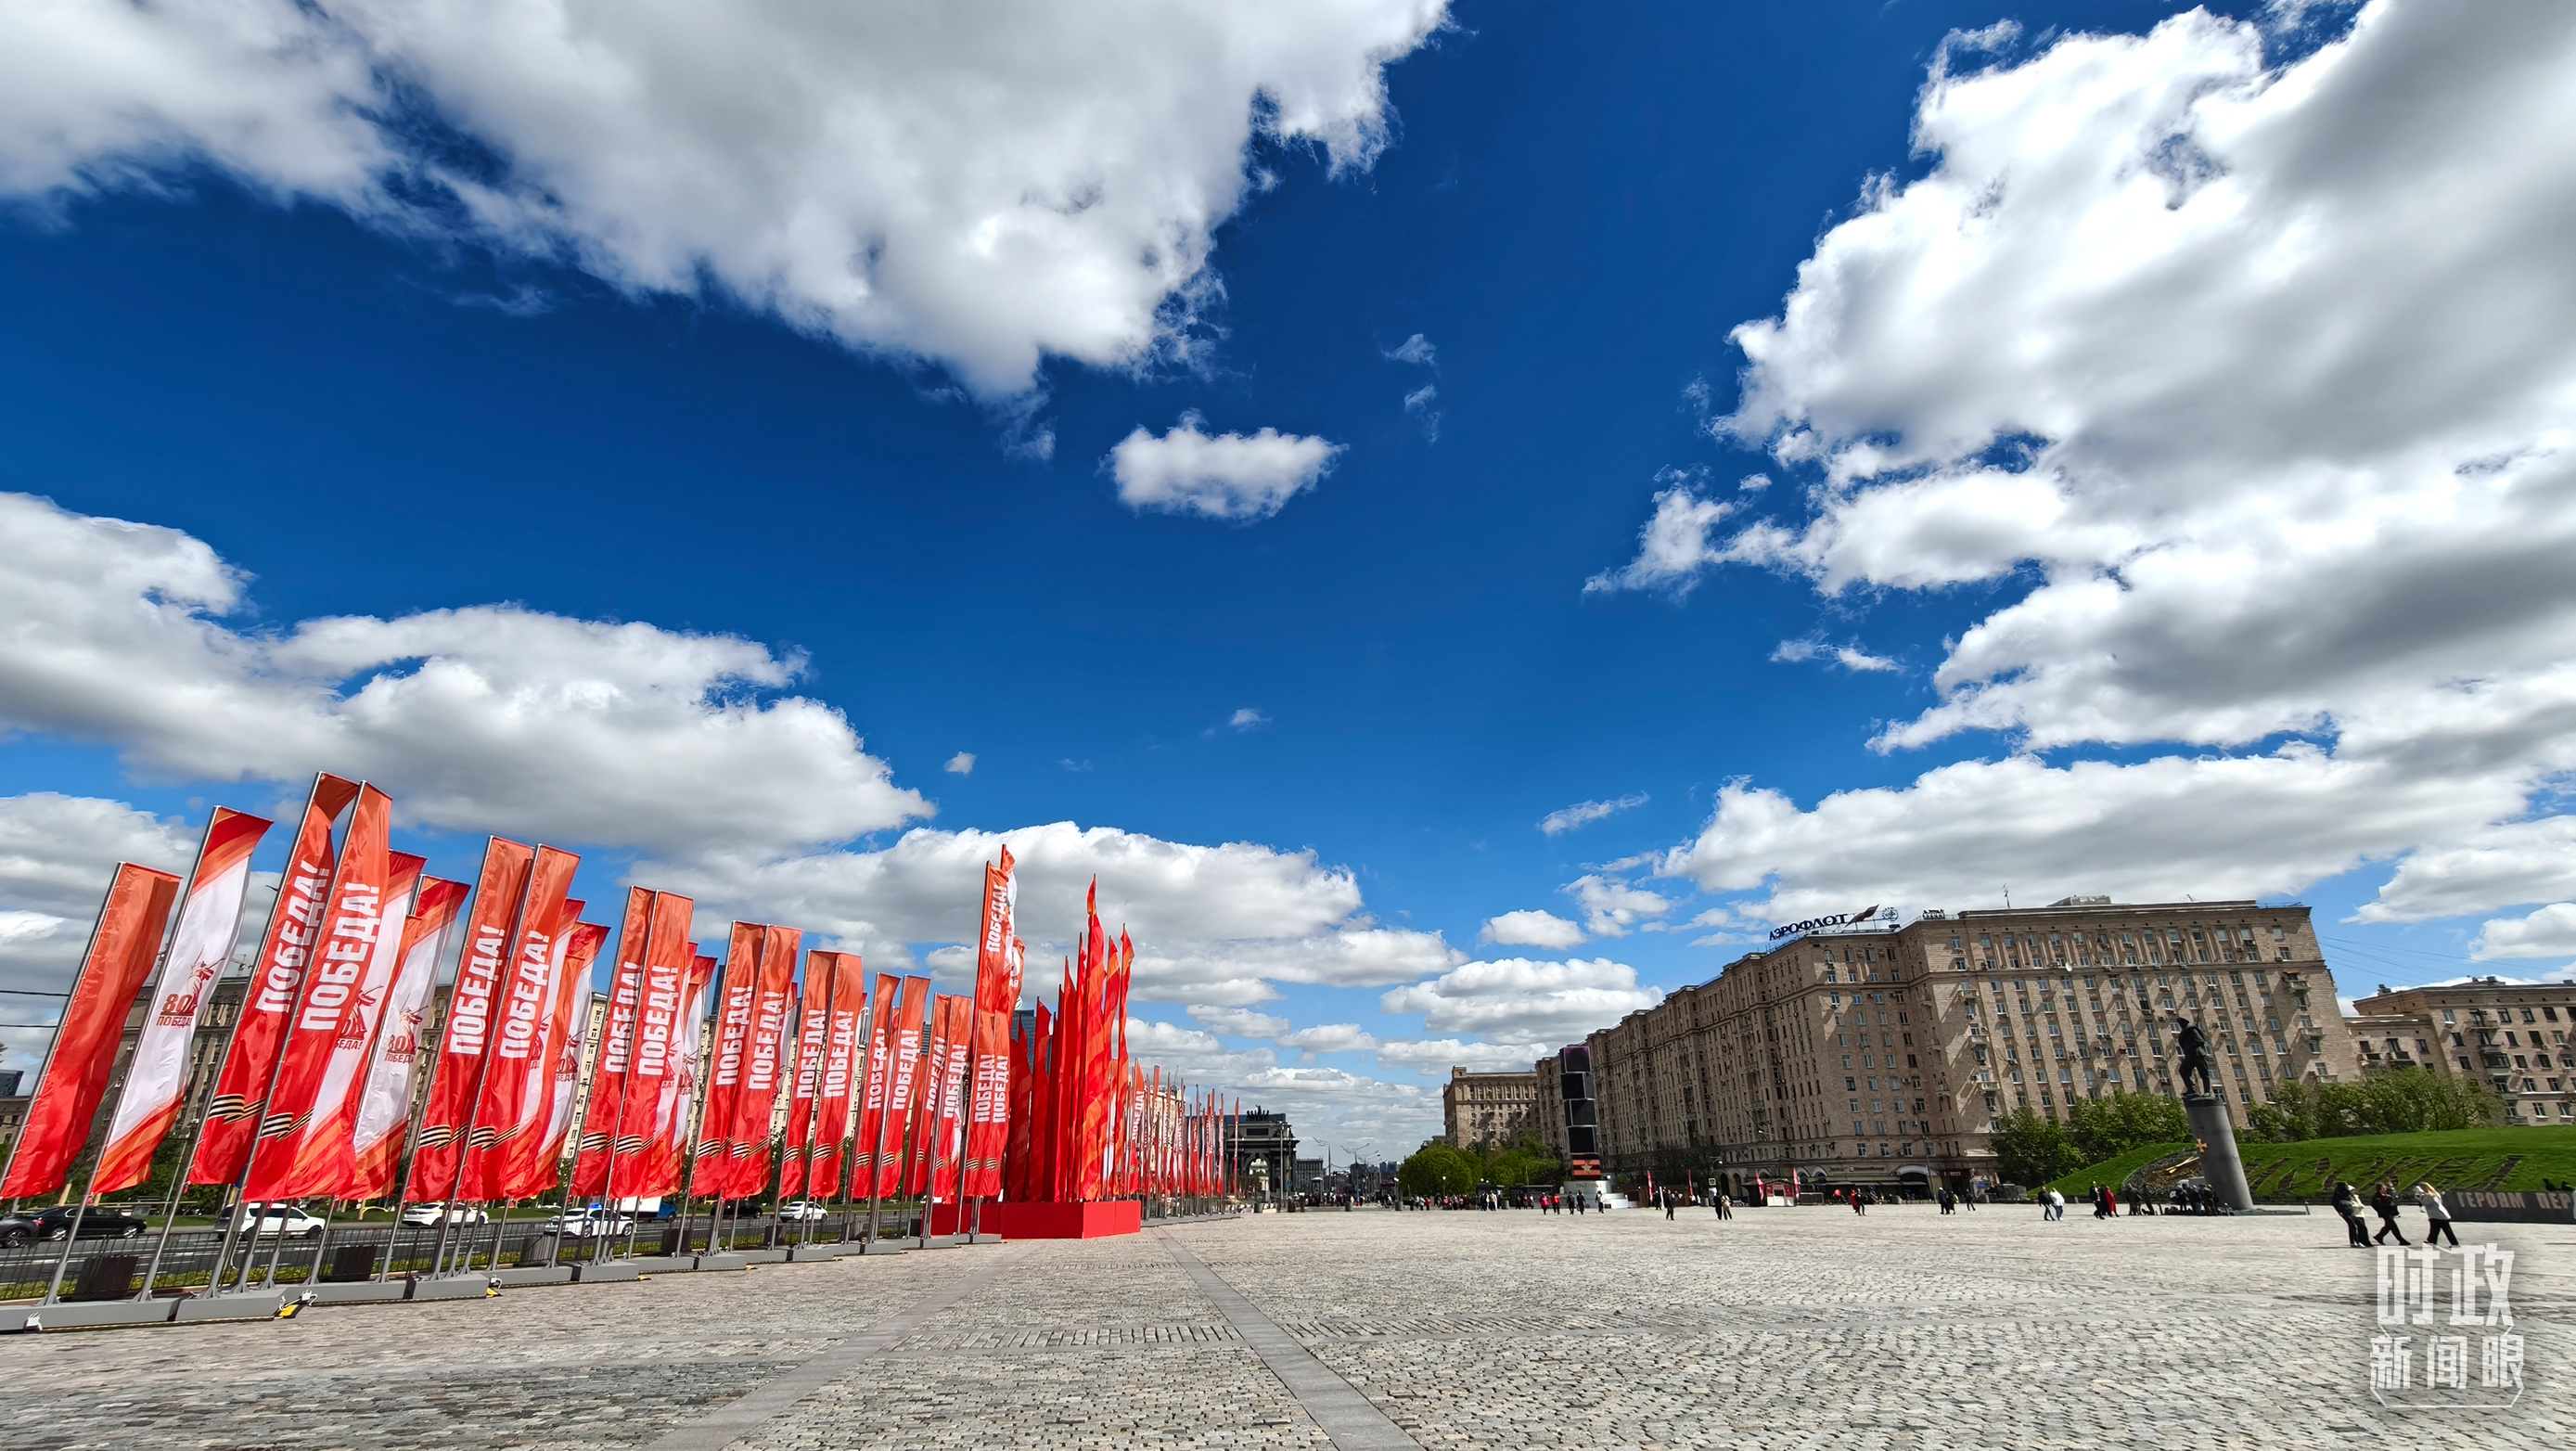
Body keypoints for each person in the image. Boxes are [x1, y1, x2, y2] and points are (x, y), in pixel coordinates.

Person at [2416, 1182, 2459, 1248]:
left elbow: (2425, 1202)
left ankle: (2433, 1242)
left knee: (2436, 1230)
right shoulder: (2435, 1194)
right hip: (2441, 1214)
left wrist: (2419, 1197)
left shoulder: (2430, 1196)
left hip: (2436, 1215)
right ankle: (2433, 1242)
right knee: (2438, 1230)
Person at [2369, 1180, 2410, 1246]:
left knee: (2388, 1226)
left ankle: (2379, 1236)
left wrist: (2399, 1200)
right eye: (2383, 1188)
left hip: (2390, 1213)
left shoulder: (2387, 1195)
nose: (2385, 1188)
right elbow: (2378, 1205)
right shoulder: (2377, 1197)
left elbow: (2393, 1202)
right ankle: (2401, 1240)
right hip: (2385, 1214)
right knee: (2394, 1226)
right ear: (2380, 1189)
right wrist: (2388, 1205)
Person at [2330, 1182, 2370, 1248]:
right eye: (2345, 1186)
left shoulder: (2347, 1193)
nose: (2347, 1187)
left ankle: (2353, 1242)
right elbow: (2335, 1203)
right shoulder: (2337, 1194)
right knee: (2352, 1225)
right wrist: (2339, 1211)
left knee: (2355, 1225)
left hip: (2350, 1211)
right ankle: (2356, 1242)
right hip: (2344, 1212)